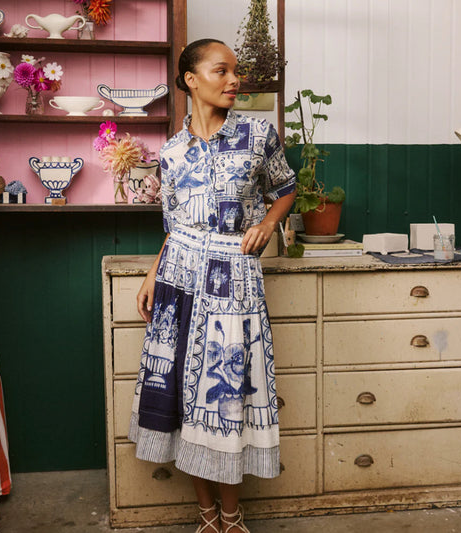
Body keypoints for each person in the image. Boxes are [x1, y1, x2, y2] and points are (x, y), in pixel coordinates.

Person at [131, 38, 296, 533]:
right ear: (191, 79)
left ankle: (232, 513)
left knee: (224, 394)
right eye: (221, 70)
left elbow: (286, 188)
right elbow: (172, 224)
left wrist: (267, 225)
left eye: (235, 71)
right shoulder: (172, 152)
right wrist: (152, 274)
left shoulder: (257, 134)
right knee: (181, 393)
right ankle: (206, 514)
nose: (234, 80)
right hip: (178, 278)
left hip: (232, 278)